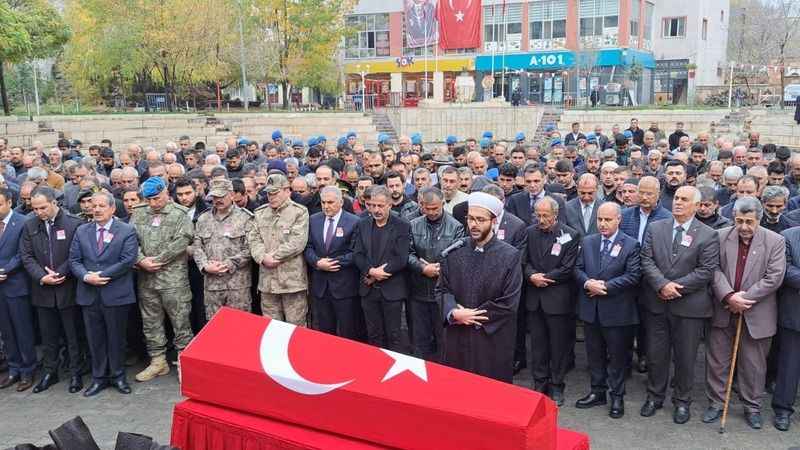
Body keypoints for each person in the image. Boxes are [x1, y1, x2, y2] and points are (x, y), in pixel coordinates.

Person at [639, 185, 720, 424]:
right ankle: (654, 397)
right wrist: (662, 285)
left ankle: (682, 402)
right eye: (676, 198)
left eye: (684, 199)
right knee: (656, 355)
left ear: (696, 206)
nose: (678, 202)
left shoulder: (708, 234)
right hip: (657, 303)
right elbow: (646, 259)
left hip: (689, 308)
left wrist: (675, 288)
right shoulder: (656, 227)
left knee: (685, 358)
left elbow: (706, 270)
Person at [704, 197, 785, 430]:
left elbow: (775, 277)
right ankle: (717, 402)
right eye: (739, 221)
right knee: (718, 360)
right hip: (724, 307)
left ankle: (752, 406)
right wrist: (729, 296)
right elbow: (713, 268)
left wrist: (744, 299)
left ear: (758, 220)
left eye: (749, 222)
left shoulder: (775, 240)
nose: (744, 227)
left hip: (756, 312)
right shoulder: (719, 236)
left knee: (754, 363)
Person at [437, 191, 522, 383]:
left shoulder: (510, 256)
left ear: (493, 221)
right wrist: (453, 312)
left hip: (490, 339)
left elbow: (509, 303)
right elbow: (442, 290)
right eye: (470, 219)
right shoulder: (454, 250)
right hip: (457, 334)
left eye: (480, 219)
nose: (474, 224)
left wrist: (473, 316)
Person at [574, 202, 641, 419]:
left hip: (617, 311)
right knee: (594, 354)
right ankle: (597, 391)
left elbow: (633, 275)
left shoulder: (630, 244)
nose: (602, 224)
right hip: (591, 310)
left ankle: (617, 396)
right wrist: (587, 283)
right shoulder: (588, 241)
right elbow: (577, 268)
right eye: (600, 219)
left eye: (608, 220)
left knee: (618, 357)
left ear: (618, 220)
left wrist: (604, 287)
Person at [69, 192, 139, 397]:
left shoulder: (126, 230)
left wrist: (101, 275)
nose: (97, 209)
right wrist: (85, 277)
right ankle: (98, 378)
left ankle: (118, 376)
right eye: (94, 205)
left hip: (115, 293)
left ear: (112, 209)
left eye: (101, 206)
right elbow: (74, 260)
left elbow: (127, 260)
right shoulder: (82, 231)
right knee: (95, 338)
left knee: (116, 338)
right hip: (89, 293)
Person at [19, 187, 84, 394]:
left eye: (43, 207)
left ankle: (76, 372)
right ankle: (50, 371)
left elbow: (76, 253)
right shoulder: (29, 225)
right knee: (48, 336)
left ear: (54, 203)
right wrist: (41, 276)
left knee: (73, 335)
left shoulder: (74, 223)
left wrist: (60, 273)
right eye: (35, 208)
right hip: (43, 290)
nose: (39, 212)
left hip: (68, 288)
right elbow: (26, 256)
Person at [129, 177, 194, 382]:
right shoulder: (139, 213)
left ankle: (186, 362)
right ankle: (158, 361)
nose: (153, 203)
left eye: (157, 198)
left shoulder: (179, 214)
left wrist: (157, 260)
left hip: (173, 279)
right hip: (146, 279)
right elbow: (129, 239)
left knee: (181, 320)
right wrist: (140, 260)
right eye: (149, 200)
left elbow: (182, 241)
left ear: (166, 192)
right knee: (150, 321)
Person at [523, 196, 580, 404]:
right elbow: (524, 260)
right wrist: (531, 276)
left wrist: (544, 278)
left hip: (557, 299)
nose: (541, 219)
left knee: (558, 345)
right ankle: (540, 382)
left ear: (555, 215)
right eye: (537, 215)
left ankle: (557, 384)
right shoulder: (529, 233)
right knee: (538, 345)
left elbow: (567, 268)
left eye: (545, 215)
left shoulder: (571, 235)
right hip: (535, 299)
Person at [407, 187, 465, 361]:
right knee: (420, 340)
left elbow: (458, 257)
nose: (431, 212)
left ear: (442, 204)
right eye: (427, 208)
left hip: (444, 292)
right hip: (418, 289)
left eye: (435, 208)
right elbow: (407, 253)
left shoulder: (456, 226)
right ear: (421, 205)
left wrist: (439, 269)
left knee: (444, 340)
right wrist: (422, 267)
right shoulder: (413, 224)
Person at [353, 185, 410, 350]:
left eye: (380, 206)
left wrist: (380, 273)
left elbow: (401, 258)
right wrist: (371, 271)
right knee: (373, 334)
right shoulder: (362, 224)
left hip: (391, 290)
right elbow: (357, 254)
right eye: (372, 205)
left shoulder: (402, 225)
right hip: (368, 290)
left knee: (394, 335)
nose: (375, 210)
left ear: (390, 205)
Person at [248, 173, 310, 325]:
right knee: (271, 328)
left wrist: (274, 257)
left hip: (292, 283)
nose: (271, 197)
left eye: (275, 193)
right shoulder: (260, 213)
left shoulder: (299, 212)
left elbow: (297, 242)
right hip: (267, 283)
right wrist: (262, 257)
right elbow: (253, 239)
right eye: (269, 193)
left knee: (296, 328)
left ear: (287, 191)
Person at [303, 186, 362, 340]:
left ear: (341, 202)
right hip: (321, 286)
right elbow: (308, 247)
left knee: (348, 331)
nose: (326, 206)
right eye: (323, 202)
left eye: (330, 202)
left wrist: (332, 263)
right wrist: (317, 262)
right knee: (324, 332)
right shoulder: (313, 219)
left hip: (344, 287)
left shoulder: (354, 221)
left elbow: (356, 253)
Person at [193, 179, 254, 320]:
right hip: (212, 285)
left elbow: (250, 248)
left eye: (221, 196)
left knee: (240, 327)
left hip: (237, 286)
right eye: (214, 197)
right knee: (215, 328)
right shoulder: (203, 219)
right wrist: (205, 265)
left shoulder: (245, 218)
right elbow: (197, 246)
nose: (217, 200)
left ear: (232, 195)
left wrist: (228, 264)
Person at [0, 187, 36, 392]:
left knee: (22, 329)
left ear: (9, 202)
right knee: (6, 331)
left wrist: (5, 270)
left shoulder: (22, 222)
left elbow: (24, 253)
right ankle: (14, 368)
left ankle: (28, 370)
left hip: (16, 284)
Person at [774, 225, 800, 431]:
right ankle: (783, 410)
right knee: (789, 365)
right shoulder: (788, 237)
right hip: (795, 314)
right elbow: (785, 270)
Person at [565, 173, 600, 238]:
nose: (586, 197)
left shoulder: (605, 208)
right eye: (582, 193)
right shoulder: (567, 208)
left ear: (597, 189)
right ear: (577, 189)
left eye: (590, 193)